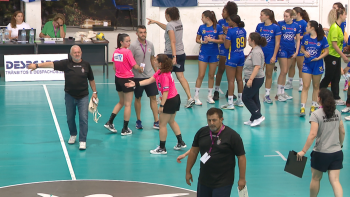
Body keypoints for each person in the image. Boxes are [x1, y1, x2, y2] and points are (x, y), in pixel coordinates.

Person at [27, 45, 97, 150]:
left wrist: (94, 92)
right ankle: (73, 134)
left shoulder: (86, 65)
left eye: (78, 52)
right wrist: (36, 65)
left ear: (81, 53)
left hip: (83, 96)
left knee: (83, 119)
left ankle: (83, 140)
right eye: (74, 53)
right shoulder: (66, 63)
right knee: (70, 118)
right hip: (69, 96)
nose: (77, 54)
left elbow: (91, 79)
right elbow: (51, 64)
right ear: (71, 54)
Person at [125, 54, 186, 154]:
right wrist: (135, 84)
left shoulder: (165, 76)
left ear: (160, 63)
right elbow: (150, 80)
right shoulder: (160, 72)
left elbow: (165, 92)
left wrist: (162, 105)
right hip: (175, 98)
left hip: (169, 101)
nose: (154, 60)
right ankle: (181, 142)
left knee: (162, 125)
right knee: (171, 121)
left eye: (156, 60)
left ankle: (162, 148)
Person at [185, 108, 246, 196]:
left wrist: (242, 178)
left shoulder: (232, 136)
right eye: (209, 120)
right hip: (204, 180)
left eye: (214, 120)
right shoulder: (202, 132)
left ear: (221, 119)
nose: (211, 123)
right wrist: (188, 172)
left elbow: (241, 157)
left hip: (223, 182)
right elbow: (194, 152)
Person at [297, 88, 345, 197]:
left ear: (319, 99)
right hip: (337, 152)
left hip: (321, 153)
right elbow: (342, 131)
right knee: (335, 181)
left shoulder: (316, 114)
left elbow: (313, 134)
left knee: (315, 178)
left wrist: (303, 151)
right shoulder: (337, 113)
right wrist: (340, 144)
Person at [147, 7, 195, 108]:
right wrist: (156, 22)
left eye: (165, 15)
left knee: (161, 75)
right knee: (180, 76)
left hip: (171, 55)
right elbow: (168, 28)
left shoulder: (170, 24)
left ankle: (160, 98)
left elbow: (173, 41)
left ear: (168, 15)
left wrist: (173, 57)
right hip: (181, 53)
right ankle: (190, 98)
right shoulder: (178, 23)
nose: (165, 16)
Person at [104, 33, 143, 135]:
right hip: (127, 79)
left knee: (121, 102)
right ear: (121, 42)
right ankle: (125, 129)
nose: (129, 43)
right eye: (127, 41)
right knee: (128, 104)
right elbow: (134, 66)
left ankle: (109, 122)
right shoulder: (127, 52)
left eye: (130, 41)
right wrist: (140, 68)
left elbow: (114, 67)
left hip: (118, 79)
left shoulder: (116, 51)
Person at [129, 25, 159, 130]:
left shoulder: (150, 44)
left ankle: (156, 121)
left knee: (153, 98)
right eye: (141, 32)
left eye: (145, 32)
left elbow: (152, 59)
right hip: (137, 77)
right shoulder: (133, 46)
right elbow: (130, 60)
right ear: (137, 33)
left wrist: (157, 73)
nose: (143, 34)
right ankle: (138, 120)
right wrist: (136, 69)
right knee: (138, 98)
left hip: (150, 76)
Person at [299, 21, 329, 117]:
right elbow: (302, 48)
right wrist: (304, 52)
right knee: (306, 85)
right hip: (307, 64)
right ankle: (302, 107)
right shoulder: (305, 37)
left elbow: (327, 51)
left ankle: (313, 106)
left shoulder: (322, 39)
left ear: (312, 28)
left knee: (316, 86)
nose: (306, 27)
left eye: (307, 26)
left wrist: (319, 57)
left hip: (318, 64)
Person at [319, 8, 349, 105]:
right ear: (340, 15)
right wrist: (343, 56)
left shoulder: (338, 27)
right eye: (345, 14)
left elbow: (338, 44)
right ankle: (319, 93)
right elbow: (334, 44)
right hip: (331, 56)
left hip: (336, 55)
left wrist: (344, 49)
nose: (346, 16)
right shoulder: (335, 27)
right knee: (329, 76)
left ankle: (335, 97)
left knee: (336, 77)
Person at [194, 10, 223, 105]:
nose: (201, 19)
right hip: (204, 53)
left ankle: (209, 96)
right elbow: (197, 39)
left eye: (202, 17)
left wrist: (212, 40)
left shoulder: (217, 27)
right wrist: (202, 42)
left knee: (211, 75)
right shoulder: (201, 27)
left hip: (214, 53)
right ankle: (196, 97)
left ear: (207, 18)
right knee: (201, 75)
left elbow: (221, 40)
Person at [213, 1, 238, 101]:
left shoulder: (236, 21)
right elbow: (219, 36)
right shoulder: (220, 22)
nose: (222, 13)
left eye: (224, 11)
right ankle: (216, 91)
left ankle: (230, 92)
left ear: (229, 12)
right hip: (223, 49)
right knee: (221, 70)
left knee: (232, 73)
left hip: (233, 50)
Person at [255, 9, 281, 104]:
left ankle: (267, 95)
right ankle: (255, 93)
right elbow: (256, 40)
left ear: (268, 16)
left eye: (262, 15)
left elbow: (277, 43)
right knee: (257, 74)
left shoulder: (276, 27)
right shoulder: (259, 26)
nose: (260, 17)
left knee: (269, 74)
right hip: (260, 53)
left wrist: (274, 55)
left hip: (270, 53)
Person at [221, 15, 246, 110]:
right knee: (239, 79)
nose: (227, 22)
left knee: (230, 80)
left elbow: (227, 46)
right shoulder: (243, 30)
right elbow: (244, 44)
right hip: (241, 55)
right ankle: (240, 101)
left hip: (232, 56)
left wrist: (225, 38)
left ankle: (230, 103)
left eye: (229, 20)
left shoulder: (230, 32)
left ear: (234, 22)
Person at [275, 9, 301, 102]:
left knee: (286, 71)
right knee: (284, 70)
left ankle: (282, 92)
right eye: (284, 16)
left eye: (287, 16)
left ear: (292, 17)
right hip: (282, 49)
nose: (285, 18)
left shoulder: (296, 26)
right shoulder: (280, 24)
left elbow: (298, 40)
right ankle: (278, 93)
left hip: (291, 50)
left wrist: (297, 51)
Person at [242, 33, 266, 127]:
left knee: (246, 97)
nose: (247, 40)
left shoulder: (256, 52)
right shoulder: (254, 50)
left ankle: (258, 116)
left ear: (253, 40)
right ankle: (254, 118)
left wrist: (250, 79)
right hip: (253, 77)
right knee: (254, 98)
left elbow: (257, 67)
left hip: (256, 79)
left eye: (249, 39)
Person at [285, 7, 309, 92]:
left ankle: (301, 83)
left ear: (298, 14)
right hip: (292, 46)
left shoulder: (304, 23)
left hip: (300, 47)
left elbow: (307, 35)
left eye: (293, 13)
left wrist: (298, 37)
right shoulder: (292, 22)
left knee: (300, 66)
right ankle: (290, 82)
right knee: (291, 65)